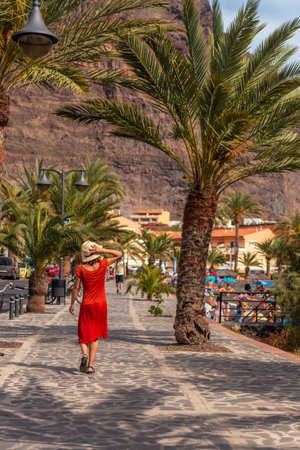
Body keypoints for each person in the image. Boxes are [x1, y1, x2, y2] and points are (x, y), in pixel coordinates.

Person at [69, 241, 122, 374]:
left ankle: (84, 355)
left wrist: (72, 304)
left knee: (83, 332)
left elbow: (76, 288)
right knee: (95, 336)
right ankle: (91, 366)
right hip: (100, 304)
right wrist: (102, 249)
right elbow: (119, 254)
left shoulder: (81, 268)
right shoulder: (103, 264)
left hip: (87, 304)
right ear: (95, 253)